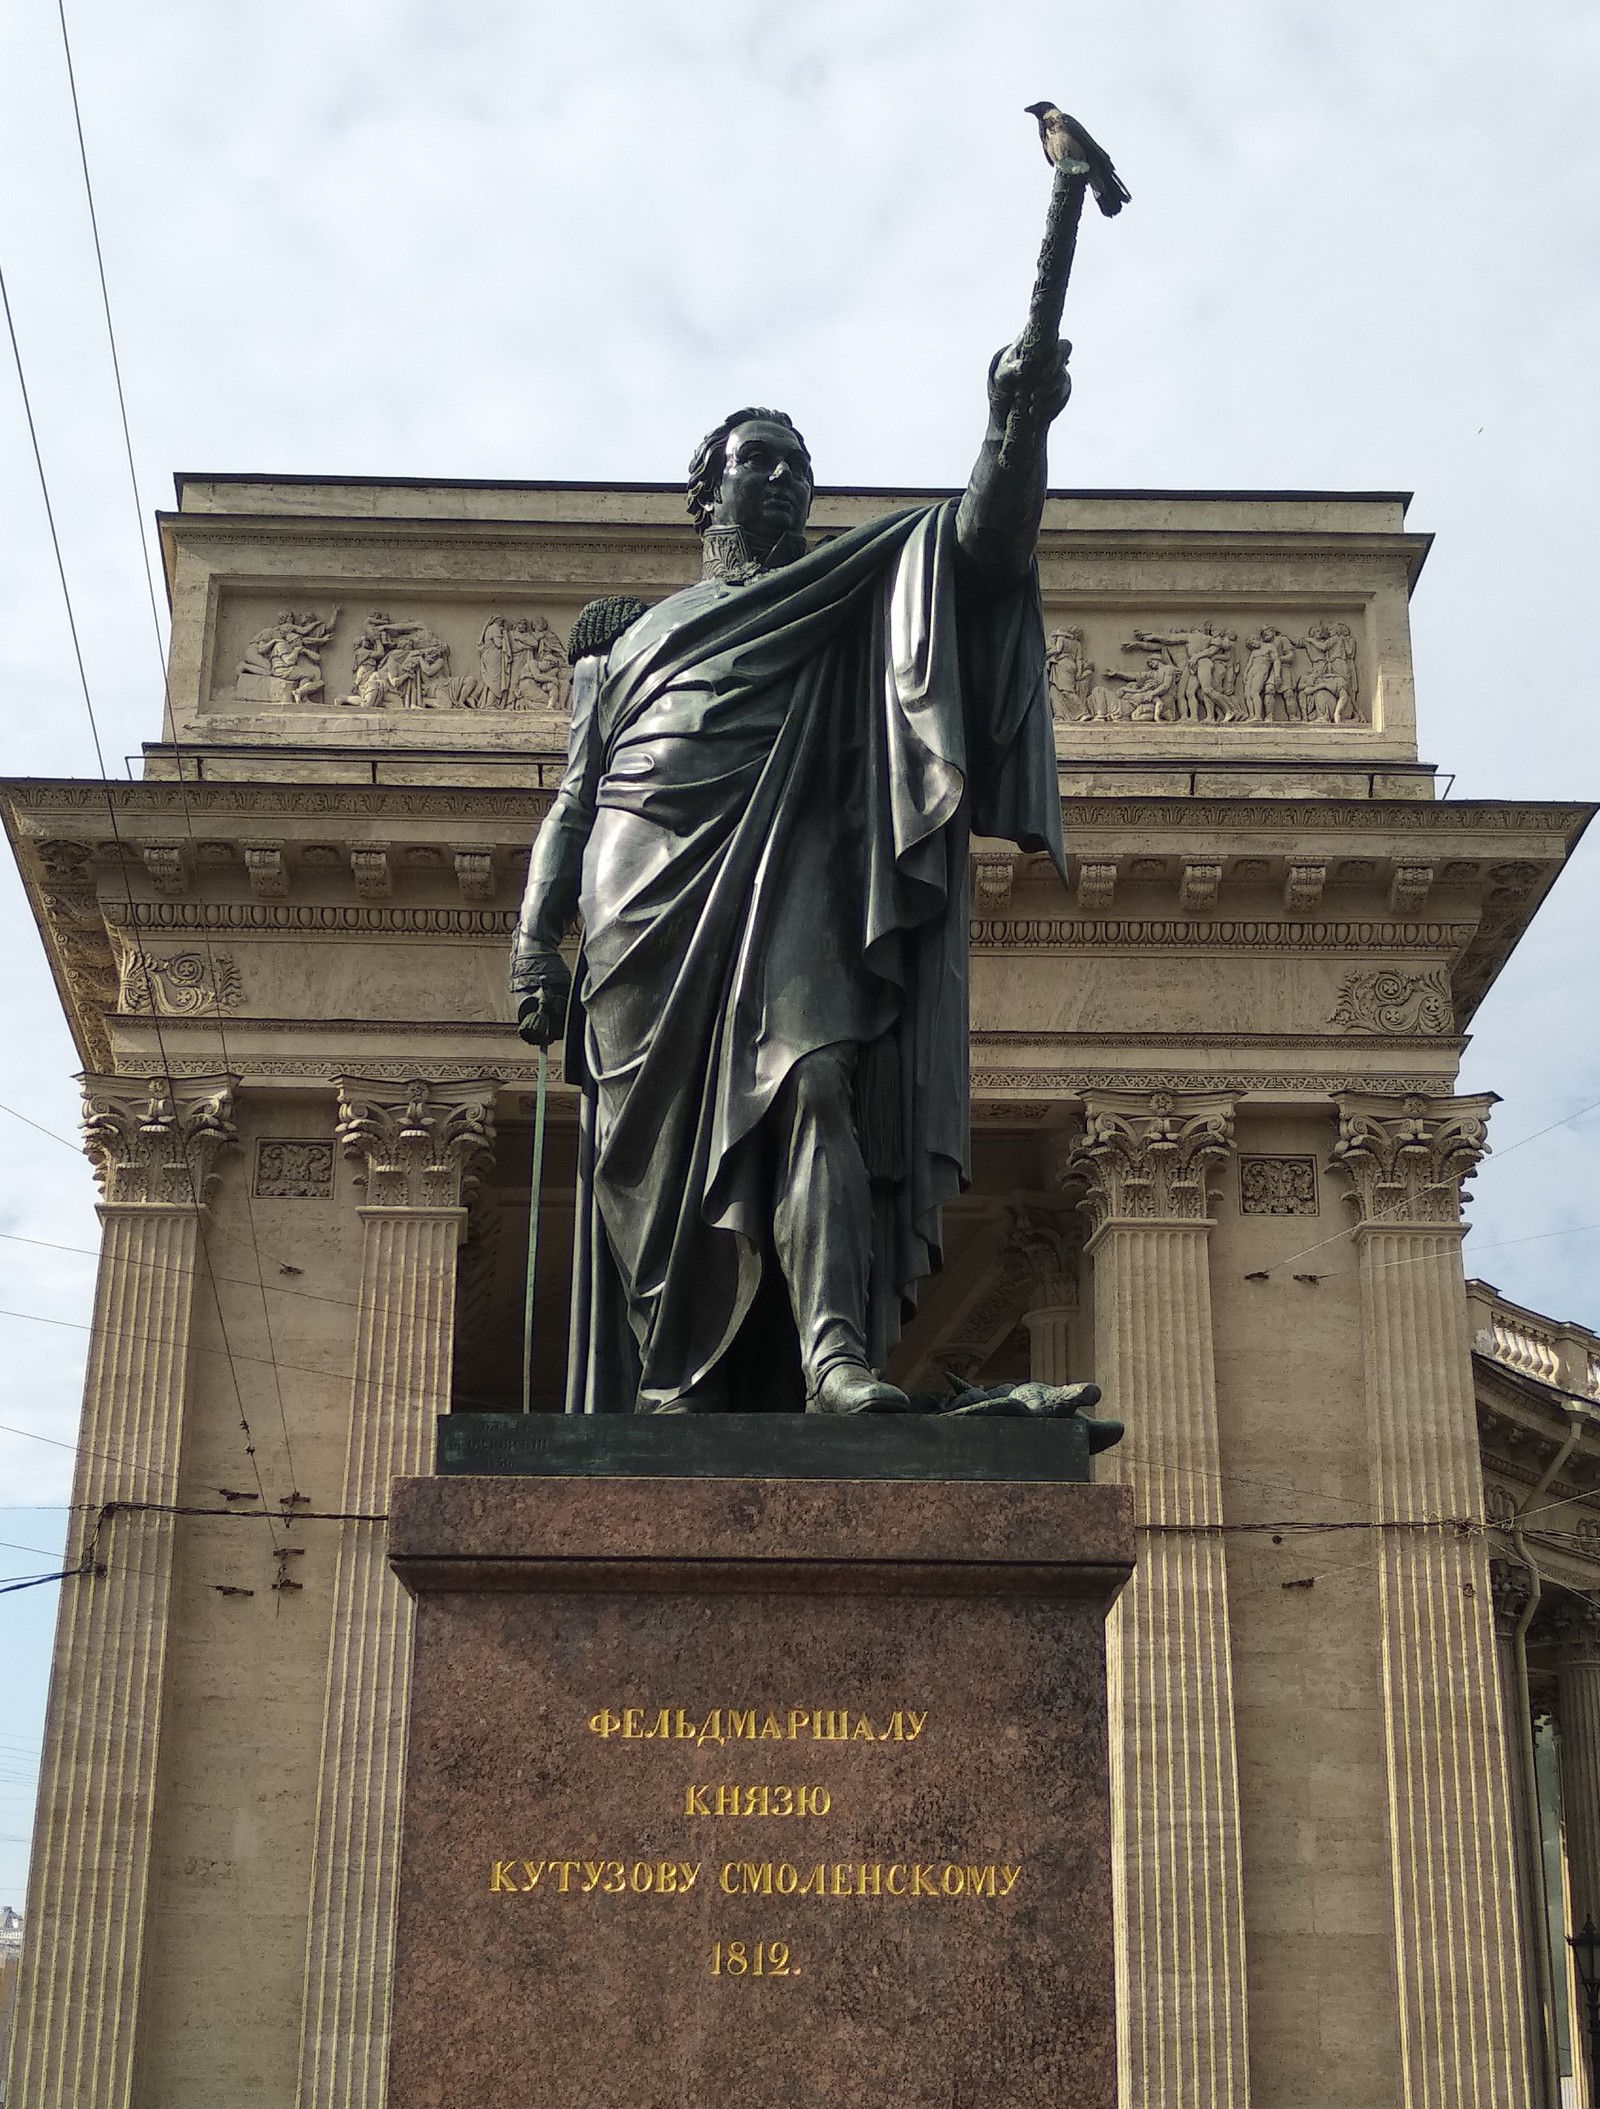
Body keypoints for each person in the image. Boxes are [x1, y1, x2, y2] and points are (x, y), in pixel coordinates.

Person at [512, 338, 1070, 1415]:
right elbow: (574, 801)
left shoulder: (847, 597)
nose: (779, 479)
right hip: (638, 894)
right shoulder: (621, 646)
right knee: (654, 1156)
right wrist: (536, 938)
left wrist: (1018, 422)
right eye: (756, 461)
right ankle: (673, 1373)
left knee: (816, 1083)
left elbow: (987, 545)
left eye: (796, 468)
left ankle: (832, 1357)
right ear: (705, 489)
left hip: (787, 864)